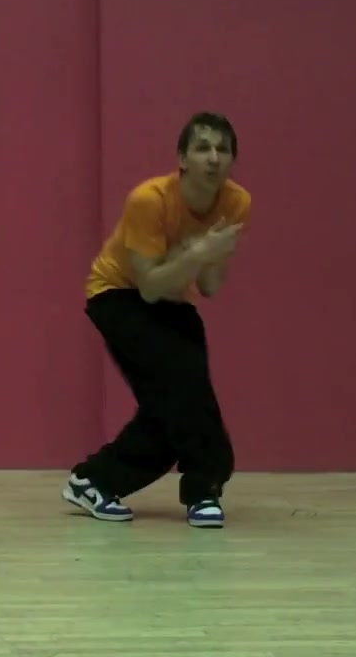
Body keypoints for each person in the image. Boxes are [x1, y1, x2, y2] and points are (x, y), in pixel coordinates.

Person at [64, 112, 250, 529]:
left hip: (173, 295)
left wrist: (206, 257)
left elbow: (210, 287)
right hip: (116, 294)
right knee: (182, 392)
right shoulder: (149, 200)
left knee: (175, 404)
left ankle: (92, 481)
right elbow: (147, 287)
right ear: (182, 159)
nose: (213, 158)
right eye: (203, 148)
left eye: (223, 149)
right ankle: (204, 487)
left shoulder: (237, 202)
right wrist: (197, 253)